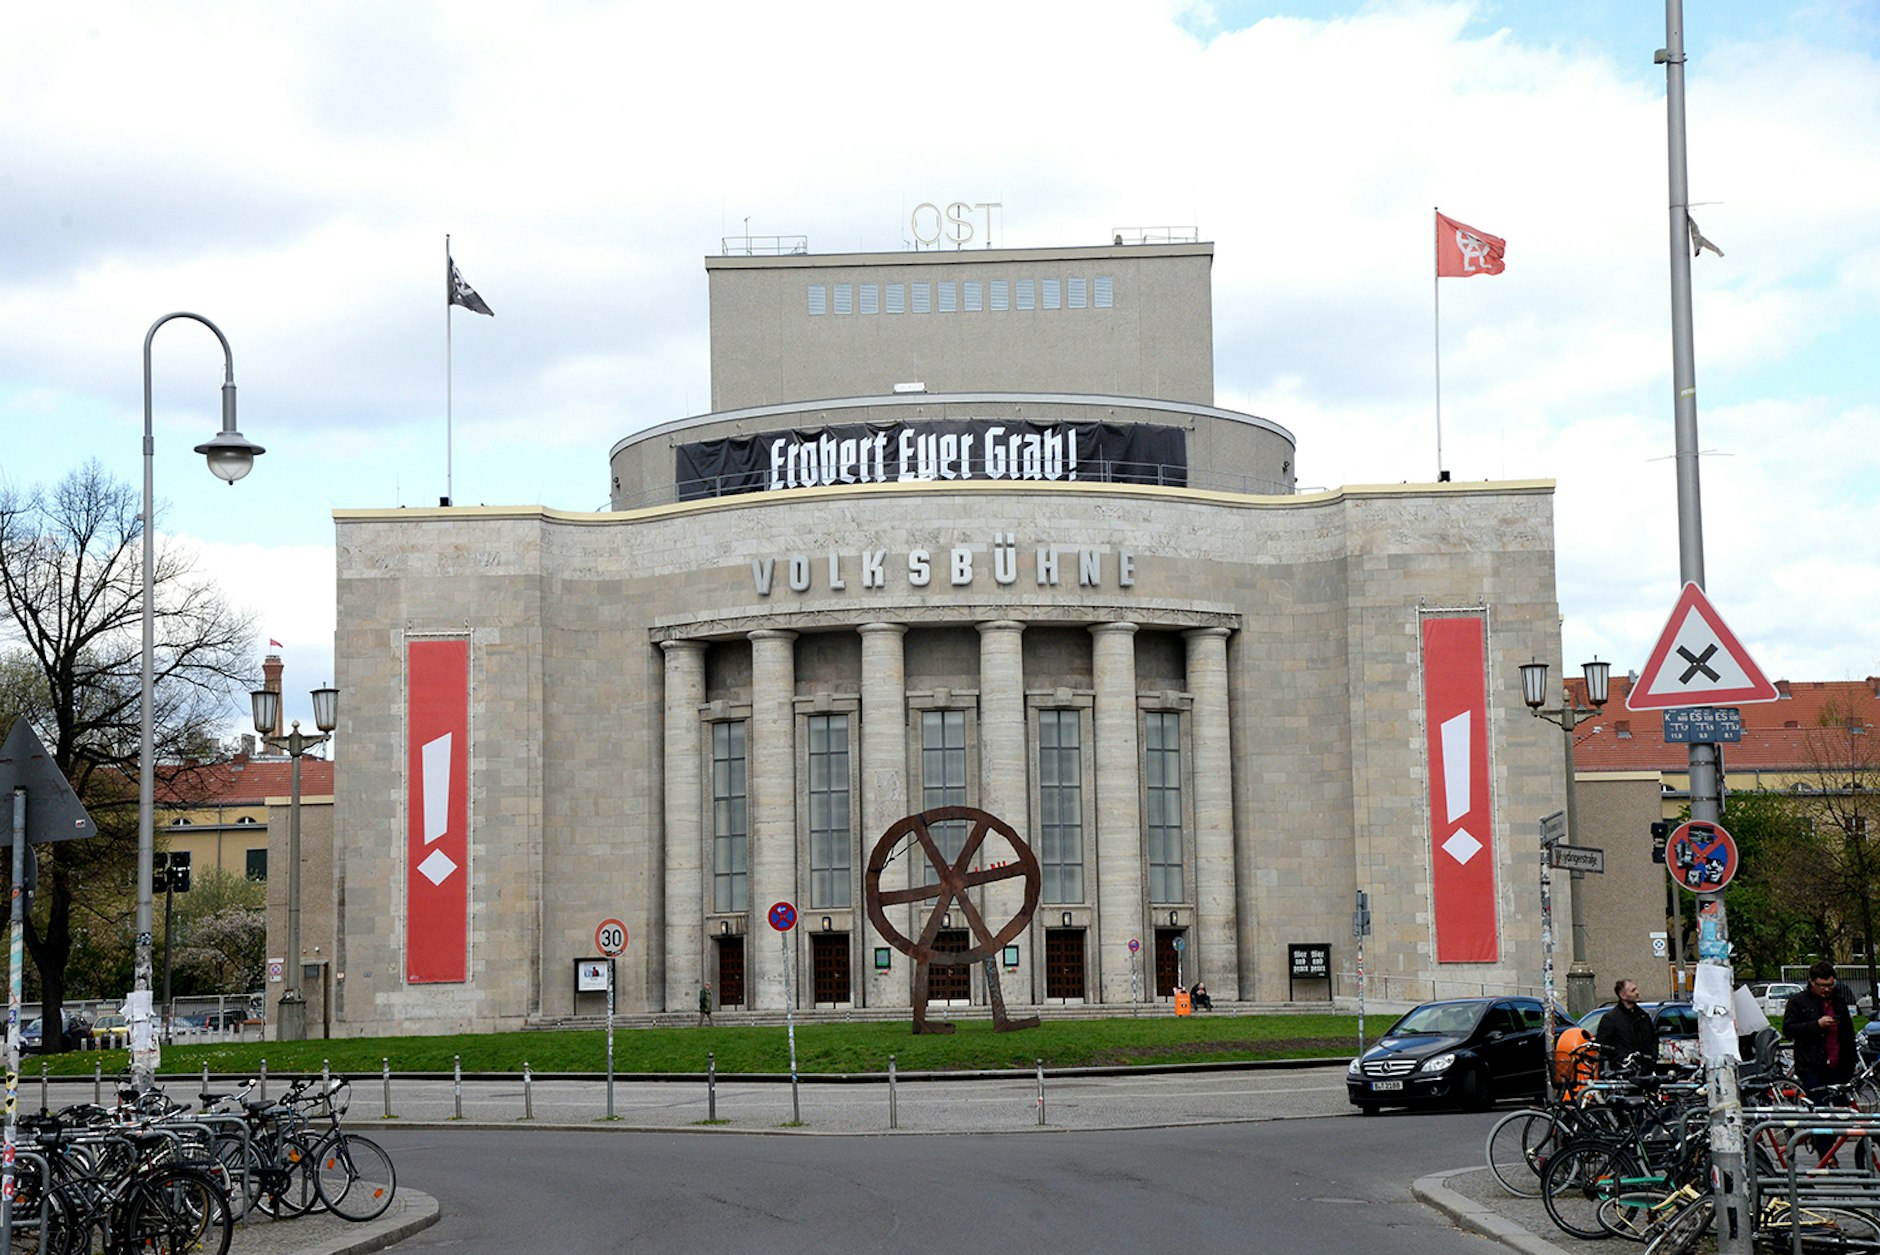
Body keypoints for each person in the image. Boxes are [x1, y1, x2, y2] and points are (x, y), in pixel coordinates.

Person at [1783, 961, 1857, 1157]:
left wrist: (1852, 1061)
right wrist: (1816, 1025)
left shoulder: (1839, 1001)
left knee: (1843, 1111)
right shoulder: (1798, 1002)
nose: (1826, 989)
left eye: (1830, 985)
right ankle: (1826, 1155)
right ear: (1811, 982)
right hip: (1811, 1066)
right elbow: (1788, 1030)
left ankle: (1825, 1143)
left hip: (1838, 1065)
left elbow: (1848, 1032)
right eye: (1822, 985)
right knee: (1821, 1111)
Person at [1594, 978, 1658, 1072]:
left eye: (1636, 989)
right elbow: (1603, 1045)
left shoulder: (1643, 1016)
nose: (1637, 992)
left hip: (1645, 1069)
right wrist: (1620, 1058)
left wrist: (1653, 1056)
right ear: (1623, 995)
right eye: (1633, 990)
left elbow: (1654, 1038)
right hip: (1623, 1070)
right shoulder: (1611, 1018)